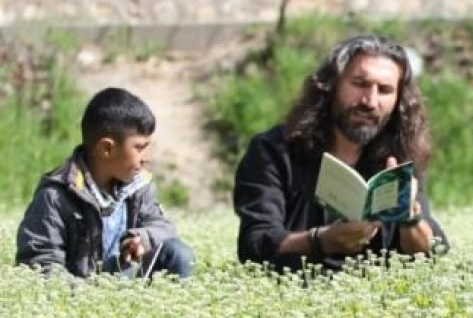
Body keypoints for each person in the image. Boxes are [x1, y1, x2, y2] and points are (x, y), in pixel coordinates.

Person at [233, 34, 449, 272]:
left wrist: (410, 219)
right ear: (331, 85)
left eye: (385, 90)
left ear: (398, 100)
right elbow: (255, 244)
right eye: (359, 84)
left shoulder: (398, 155)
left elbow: (430, 254)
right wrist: (321, 241)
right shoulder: (273, 151)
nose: (370, 101)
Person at [15, 87, 195, 280]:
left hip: (131, 292)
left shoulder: (138, 186)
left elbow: (161, 226)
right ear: (106, 149)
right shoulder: (56, 197)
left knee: (178, 253)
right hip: (79, 295)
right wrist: (83, 295)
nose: (146, 158)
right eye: (139, 148)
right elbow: (40, 262)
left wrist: (142, 238)